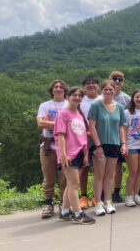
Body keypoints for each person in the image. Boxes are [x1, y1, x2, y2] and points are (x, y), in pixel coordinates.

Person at [54, 87, 95, 224]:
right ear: (68, 96)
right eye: (74, 95)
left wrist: (86, 153)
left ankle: (65, 212)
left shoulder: (79, 114)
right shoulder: (63, 114)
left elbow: (83, 136)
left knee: (70, 184)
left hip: (80, 152)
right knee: (75, 184)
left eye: (79, 95)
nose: (77, 97)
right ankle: (78, 215)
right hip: (68, 153)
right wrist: (63, 155)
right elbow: (60, 135)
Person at [88, 80, 127, 216]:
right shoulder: (95, 105)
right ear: (102, 90)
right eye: (106, 89)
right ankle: (98, 202)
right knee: (99, 174)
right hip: (100, 144)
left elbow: (121, 126)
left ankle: (107, 201)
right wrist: (98, 145)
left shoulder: (119, 107)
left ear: (114, 90)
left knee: (110, 174)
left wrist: (123, 143)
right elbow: (92, 127)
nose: (109, 91)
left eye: (111, 89)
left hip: (114, 144)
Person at [37, 80, 69, 219]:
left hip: (65, 146)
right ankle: (48, 203)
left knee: (64, 178)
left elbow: (72, 124)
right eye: (56, 87)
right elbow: (40, 124)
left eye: (61, 87)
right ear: (51, 90)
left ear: (65, 90)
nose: (58, 89)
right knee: (48, 177)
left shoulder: (69, 105)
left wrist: (49, 122)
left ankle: (63, 202)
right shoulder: (45, 105)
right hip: (48, 146)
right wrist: (61, 124)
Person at [79, 74, 101, 209]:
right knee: (84, 167)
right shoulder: (80, 101)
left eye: (93, 83)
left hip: (100, 138)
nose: (91, 85)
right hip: (83, 138)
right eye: (88, 83)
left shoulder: (103, 99)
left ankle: (96, 195)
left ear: (98, 85)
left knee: (98, 168)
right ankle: (83, 196)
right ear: (84, 86)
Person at [110, 71, 131, 203]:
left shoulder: (127, 99)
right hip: (107, 136)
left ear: (123, 82)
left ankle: (116, 192)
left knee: (119, 165)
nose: (117, 81)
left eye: (120, 79)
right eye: (115, 79)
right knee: (107, 166)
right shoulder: (103, 97)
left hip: (123, 136)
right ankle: (104, 193)